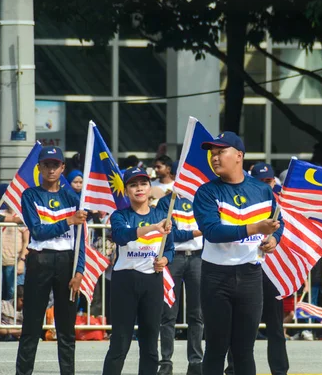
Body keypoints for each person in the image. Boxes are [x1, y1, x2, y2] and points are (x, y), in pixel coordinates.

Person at [193, 132, 283, 375]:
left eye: (221, 152)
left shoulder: (262, 191)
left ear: (239, 156)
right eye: (212, 154)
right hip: (216, 277)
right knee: (216, 348)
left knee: (244, 350)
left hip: (250, 276)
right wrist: (256, 228)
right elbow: (212, 231)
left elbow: (278, 220)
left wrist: (274, 238)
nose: (214, 158)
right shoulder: (206, 192)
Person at [16, 146, 87, 375]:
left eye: (56, 165)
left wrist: (79, 271)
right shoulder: (30, 195)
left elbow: (81, 240)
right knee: (31, 325)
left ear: (63, 168)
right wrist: (68, 221)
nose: (51, 169)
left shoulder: (73, 197)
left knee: (66, 328)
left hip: (67, 261)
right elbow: (37, 231)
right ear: (39, 167)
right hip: (40, 259)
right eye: (46, 164)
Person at [102, 167, 175, 375]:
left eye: (143, 184)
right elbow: (120, 236)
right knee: (120, 343)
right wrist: (152, 228)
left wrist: (165, 259)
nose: (139, 189)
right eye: (133, 185)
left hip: (152, 282)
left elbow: (170, 248)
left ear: (150, 187)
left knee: (150, 344)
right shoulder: (120, 216)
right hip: (124, 281)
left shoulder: (163, 215)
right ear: (126, 191)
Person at [225, 162, 290, 375]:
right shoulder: (243, 198)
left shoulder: (278, 200)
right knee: (239, 327)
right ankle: (234, 368)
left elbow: (280, 225)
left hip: (270, 270)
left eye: (269, 181)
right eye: (261, 181)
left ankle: (279, 371)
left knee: (275, 326)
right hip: (244, 267)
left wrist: (274, 239)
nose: (266, 184)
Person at [157, 162, 204, 375]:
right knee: (168, 313)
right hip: (173, 257)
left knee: (198, 313)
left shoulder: (202, 201)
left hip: (197, 258)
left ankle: (196, 361)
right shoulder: (166, 202)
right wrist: (195, 233)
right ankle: (165, 361)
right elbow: (170, 234)